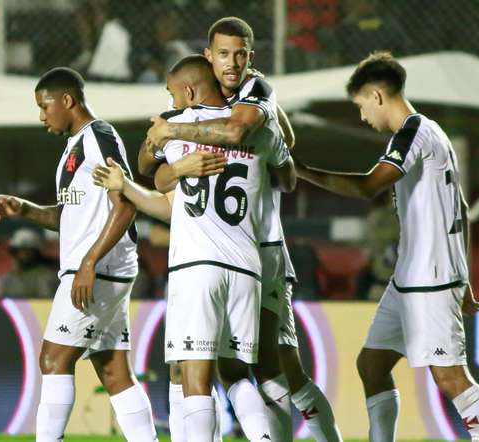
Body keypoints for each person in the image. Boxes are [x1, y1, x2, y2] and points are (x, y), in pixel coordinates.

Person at [145, 17, 343, 442]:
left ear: (251, 57)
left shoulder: (251, 97)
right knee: (247, 369)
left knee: (267, 369)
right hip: (249, 257)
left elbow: (152, 169)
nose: (232, 63)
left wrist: (170, 136)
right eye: (223, 54)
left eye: (240, 54)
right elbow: (286, 167)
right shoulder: (253, 109)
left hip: (260, 251)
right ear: (208, 58)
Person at [294, 52, 479, 441]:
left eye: (360, 106)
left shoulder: (414, 132)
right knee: (371, 364)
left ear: (376, 95)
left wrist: (303, 171)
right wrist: (466, 278)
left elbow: (370, 184)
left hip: (431, 279)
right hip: (411, 278)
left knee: (451, 377)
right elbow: (463, 209)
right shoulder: (431, 135)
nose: (362, 117)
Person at [97, 53, 295, 442]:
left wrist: (171, 164)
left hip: (197, 267)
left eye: (172, 94)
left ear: (188, 91)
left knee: (194, 377)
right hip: (247, 268)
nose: (170, 103)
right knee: (237, 373)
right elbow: (287, 175)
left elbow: (145, 163)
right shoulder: (255, 128)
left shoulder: (176, 124)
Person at [0, 67, 156, 442]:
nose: (41, 115)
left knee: (53, 358)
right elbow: (69, 218)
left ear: (67, 100)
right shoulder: (74, 146)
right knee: (113, 372)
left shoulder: (97, 137)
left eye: (44, 106)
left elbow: (126, 204)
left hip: (98, 270)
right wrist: (25, 208)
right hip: (102, 268)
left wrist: (89, 262)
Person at [0, 228, 59, 298]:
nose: (23, 255)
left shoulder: (45, 277)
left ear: (36, 253)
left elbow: (46, 302)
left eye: (28, 252)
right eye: (20, 251)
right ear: (14, 253)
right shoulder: (6, 279)